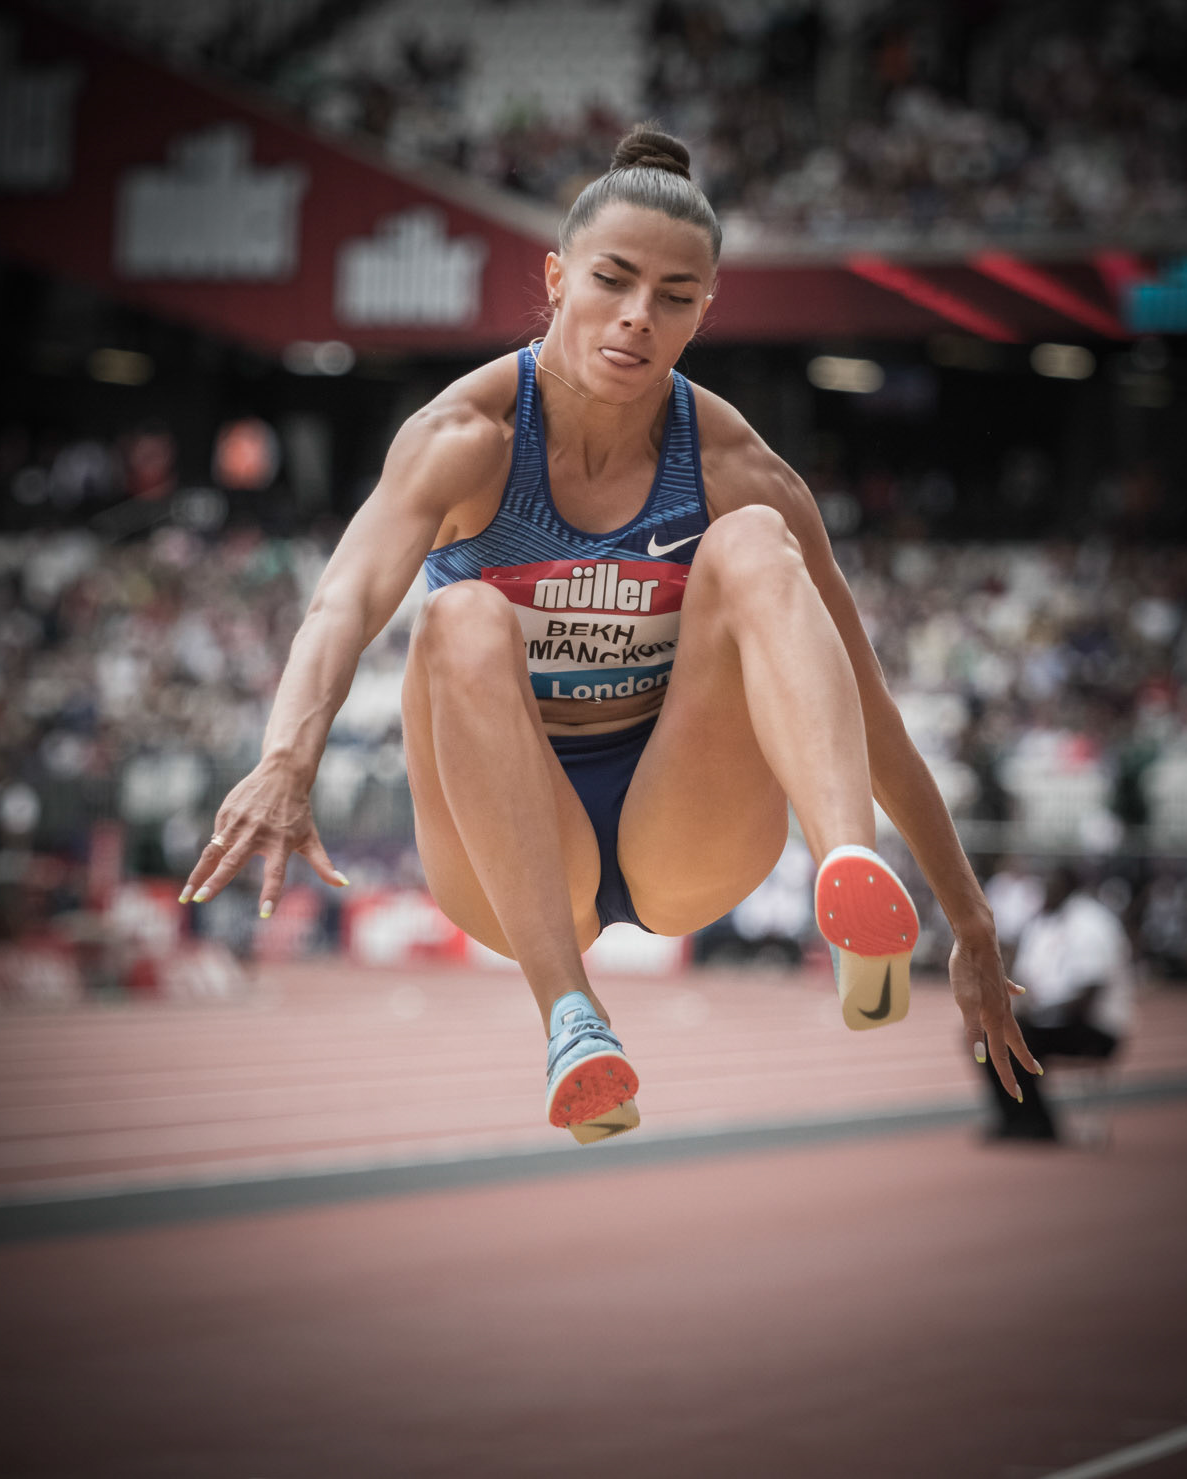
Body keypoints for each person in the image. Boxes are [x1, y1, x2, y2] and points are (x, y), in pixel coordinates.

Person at [180, 124, 1037, 1144]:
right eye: (614, 281)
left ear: (705, 310)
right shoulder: (466, 440)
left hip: (684, 822)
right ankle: (571, 1020)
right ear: (555, 278)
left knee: (758, 544)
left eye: (675, 297)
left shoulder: (735, 465)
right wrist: (287, 759)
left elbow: (860, 701)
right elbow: (343, 603)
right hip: (515, 843)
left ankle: (848, 878)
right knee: (458, 614)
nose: (638, 318)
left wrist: (970, 919)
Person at [980, 866, 1134, 1142]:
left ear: (1067, 886)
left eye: (1049, 887)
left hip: (1094, 1026)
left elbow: (1090, 992)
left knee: (1017, 1039)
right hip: (1050, 1021)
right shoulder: (1043, 924)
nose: (1042, 895)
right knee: (987, 1034)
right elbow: (1024, 982)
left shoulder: (1092, 923)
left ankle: (1039, 1124)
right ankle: (1018, 1119)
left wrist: (1040, 1013)